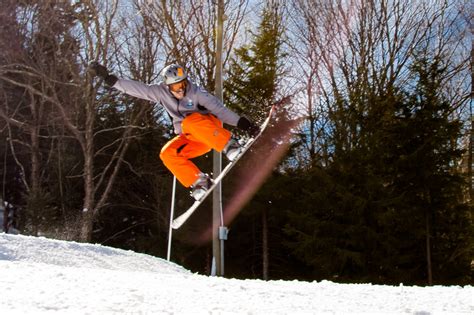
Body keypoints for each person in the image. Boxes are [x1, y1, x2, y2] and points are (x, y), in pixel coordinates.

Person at [89, 62, 259, 200]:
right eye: (176, 86)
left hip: (210, 131)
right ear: (167, 86)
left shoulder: (197, 92)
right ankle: (199, 181)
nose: (180, 89)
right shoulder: (160, 92)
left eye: (183, 84)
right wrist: (112, 80)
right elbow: (140, 89)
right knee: (167, 153)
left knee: (189, 121)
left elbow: (220, 110)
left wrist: (245, 125)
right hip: (193, 139)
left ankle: (230, 145)